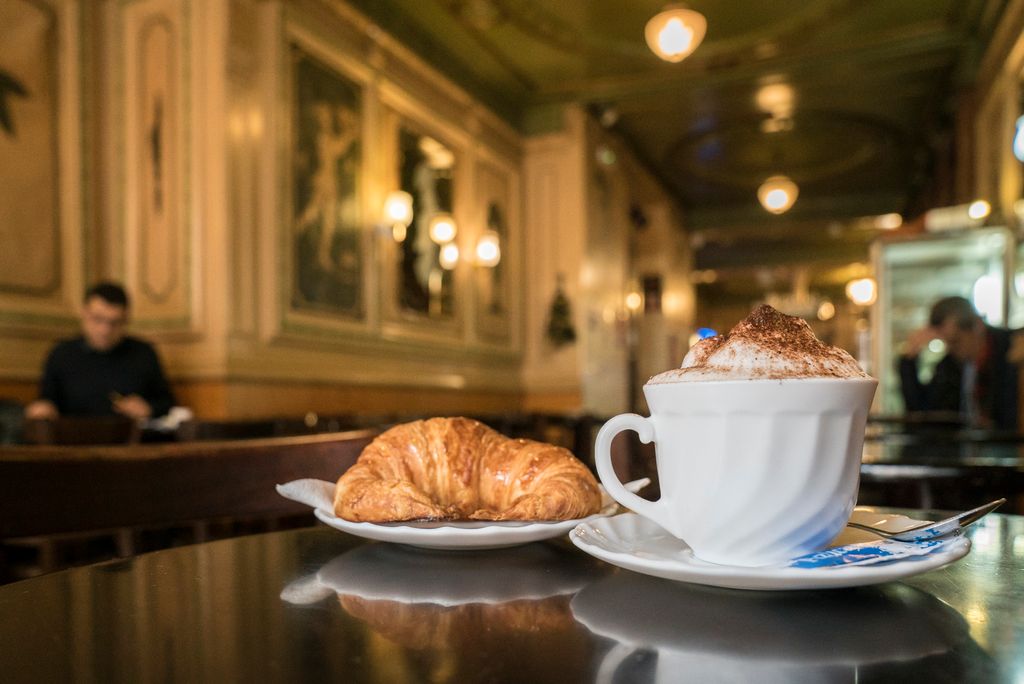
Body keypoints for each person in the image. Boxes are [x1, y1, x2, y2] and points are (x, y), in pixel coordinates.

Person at [24, 282, 175, 421]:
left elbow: (168, 404)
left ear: (126, 319)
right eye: (97, 319)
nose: (105, 330)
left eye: (115, 322)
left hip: (130, 443)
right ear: (84, 313)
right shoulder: (62, 354)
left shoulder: (143, 353)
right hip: (73, 442)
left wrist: (148, 408)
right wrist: (43, 409)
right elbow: (47, 401)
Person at [898, 296, 1020, 430]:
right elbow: (922, 412)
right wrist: (909, 359)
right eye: (946, 343)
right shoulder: (953, 363)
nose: (952, 349)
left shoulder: (1013, 351)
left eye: (955, 341)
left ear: (977, 325)